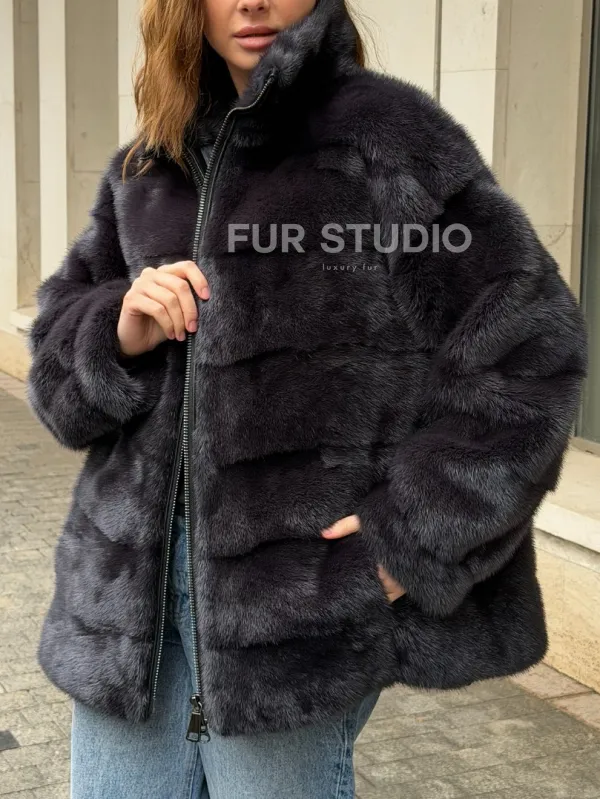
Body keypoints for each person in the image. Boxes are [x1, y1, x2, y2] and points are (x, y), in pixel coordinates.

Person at [26, 0, 587, 796]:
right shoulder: (149, 167)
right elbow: (57, 383)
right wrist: (116, 328)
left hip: (291, 609)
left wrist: (413, 537)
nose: (252, 1)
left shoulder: (384, 140)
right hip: (127, 609)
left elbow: (528, 345)